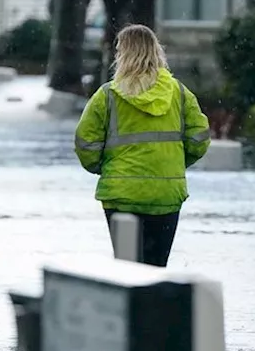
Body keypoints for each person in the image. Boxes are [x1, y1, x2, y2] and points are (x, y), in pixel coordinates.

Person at [73, 24, 211, 267]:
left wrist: (106, 169)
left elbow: (85, 142)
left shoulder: (107, 96)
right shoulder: (180, 94)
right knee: (157, 268)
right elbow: (200, 138)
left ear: (122, 55)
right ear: (157, 52)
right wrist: (174, 163)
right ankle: (156, 306)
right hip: (165, 195)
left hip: (121, 194)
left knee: (127, 270)